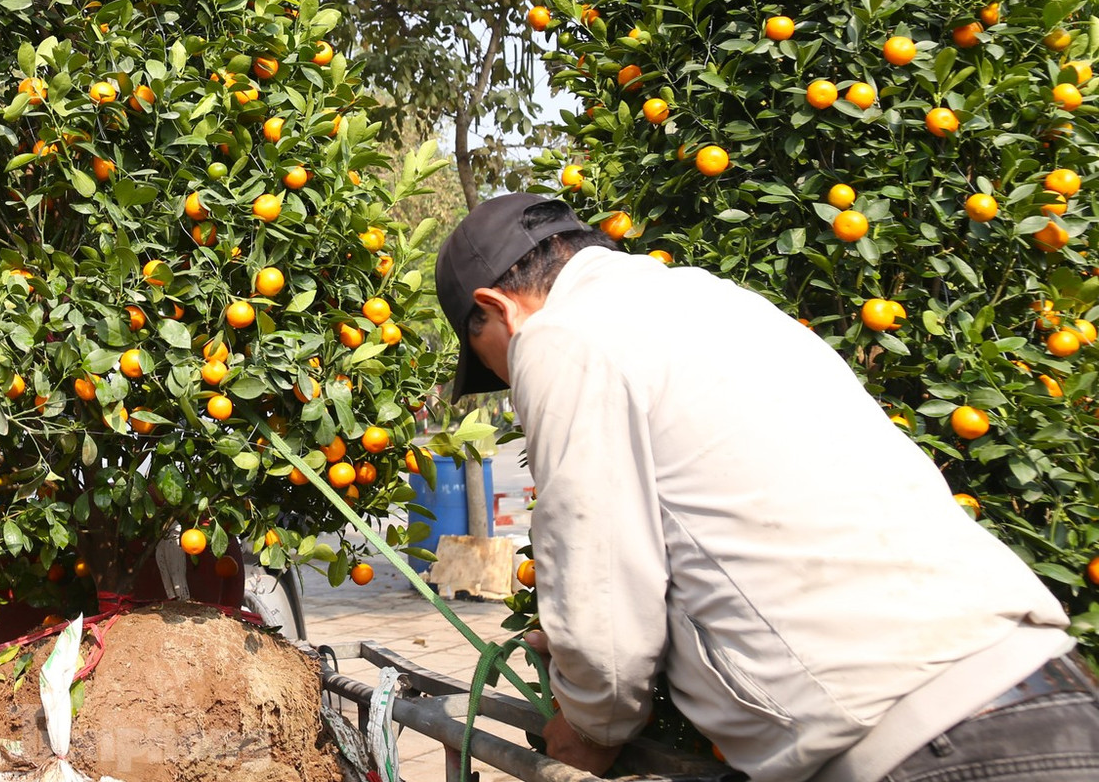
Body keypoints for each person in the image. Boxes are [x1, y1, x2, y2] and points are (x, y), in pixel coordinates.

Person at [434, 192, 1099, 782]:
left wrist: (582, 729)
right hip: (1044, 688)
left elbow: (604, 622)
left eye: (494, 362)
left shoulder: (559, 335)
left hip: (935, 747)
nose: (511, 384)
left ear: (496, 309)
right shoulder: (703, 299)